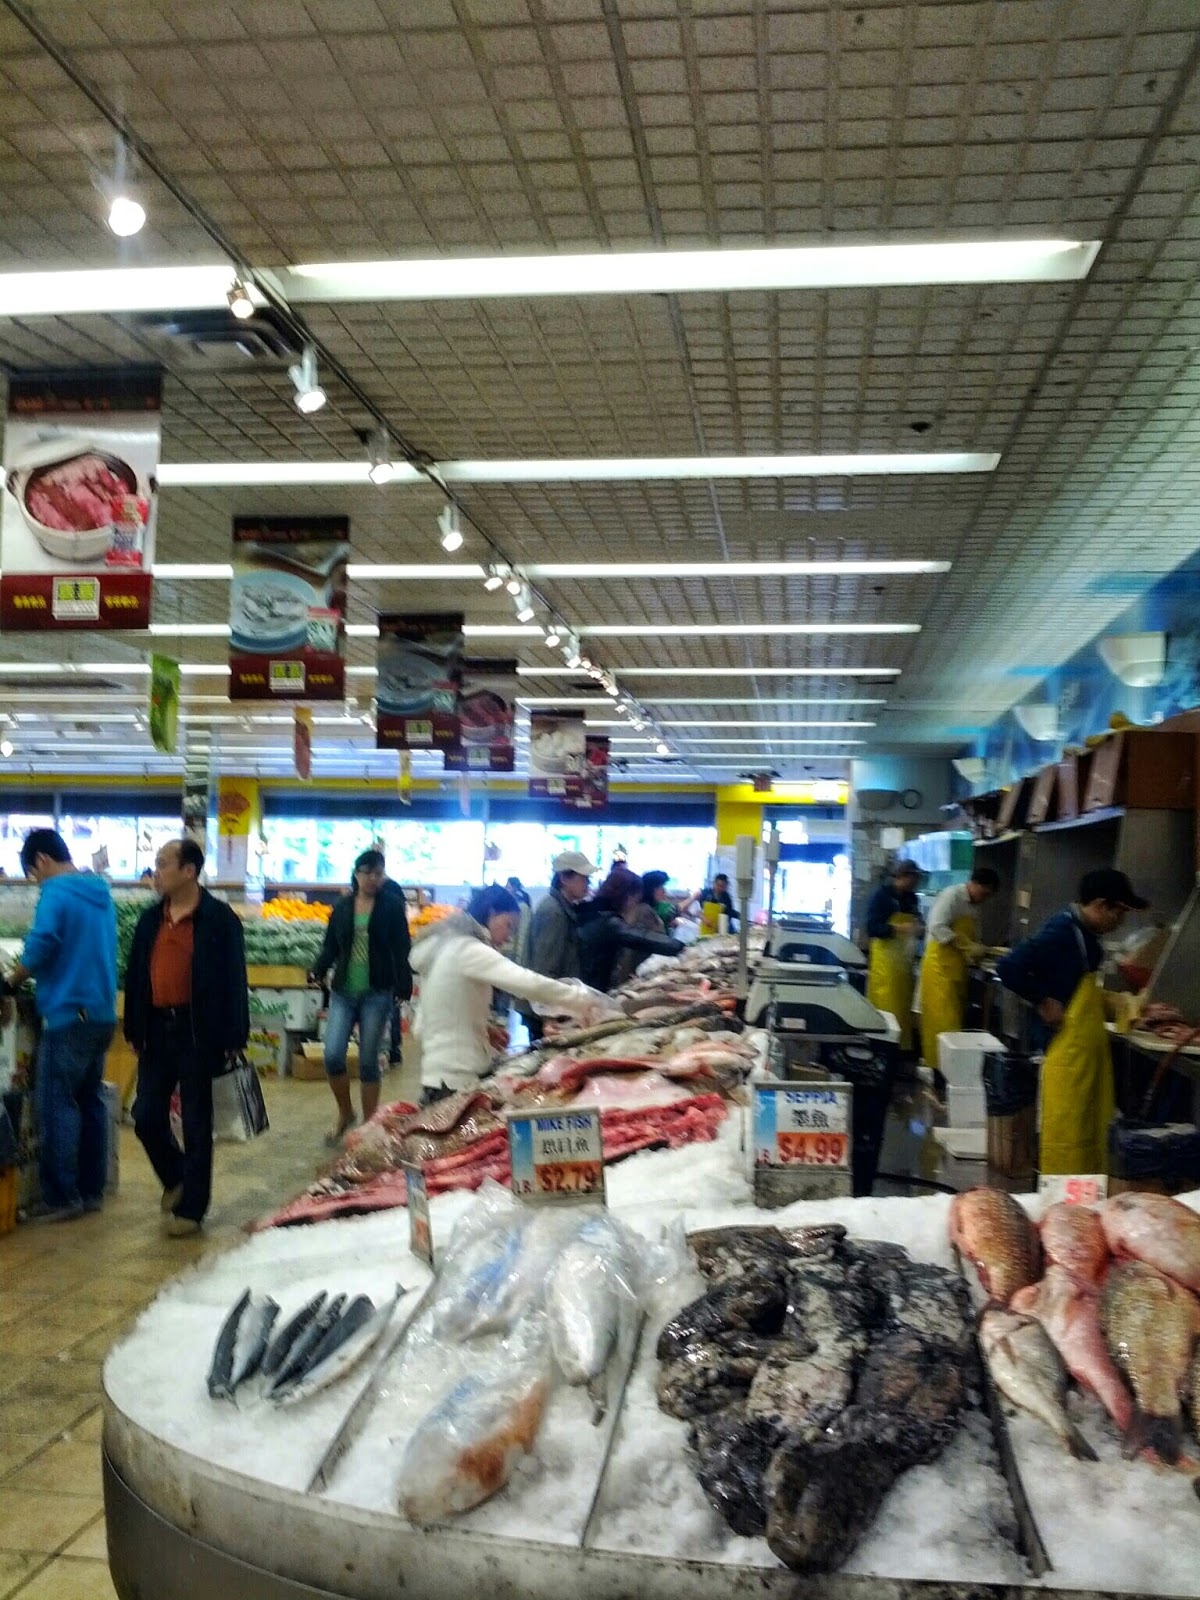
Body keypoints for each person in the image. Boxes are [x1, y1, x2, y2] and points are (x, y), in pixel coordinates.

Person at [124, 838, 249, 1237]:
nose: (155, 871)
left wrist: (235, 1034)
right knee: (146, 1116)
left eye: (163, 864)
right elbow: (136, 977)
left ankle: (192, 1210)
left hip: (199, 1031)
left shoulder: (219, 920)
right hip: (157, 1029)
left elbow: (235, 979)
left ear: (189, 871)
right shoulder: (150, 920)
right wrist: (134, 1025)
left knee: (196, 1122)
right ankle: (177, 1176)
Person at [996, 868, 1146, 1176]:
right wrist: (1042, 1000)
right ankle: (1064, 1208)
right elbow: (1009, 967)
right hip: (1067, 1059)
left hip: (1085, 1060)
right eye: (1120, 913)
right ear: (1102, 905)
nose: (1120, 922)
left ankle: (1085, 1207)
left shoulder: (1085, 934)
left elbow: (1076, 986)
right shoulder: (1062, 931)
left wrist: (1116, 1002)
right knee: (1068, 1142)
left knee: (1089, 1137)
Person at [410, 885, 603, 1104]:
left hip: (436, 1079)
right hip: (456, 1079)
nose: (509, 937)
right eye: (508, 925)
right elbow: (528, 983)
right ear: (491, 913)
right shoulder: (468, 949)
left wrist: (480, 1029)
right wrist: (583, 999)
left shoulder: (443, 949)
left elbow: (422, 1024)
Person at [11, 830, 117, 1224]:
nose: (36, 883)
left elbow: (41, 945)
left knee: (56, 1105)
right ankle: (90, 1191)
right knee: (89, 1102)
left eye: (32, 874)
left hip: (68, 1014)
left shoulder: (56, 892)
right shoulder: (100, 892)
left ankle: (61, 1196)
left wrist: (11, 981)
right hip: (102, 1014)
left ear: (41, 861)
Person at [310, 849, 412, 1146]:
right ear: (356, 874)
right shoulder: (342, 907)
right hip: (343, 991)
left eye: (378, 873)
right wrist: (317, 970)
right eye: (367, 872)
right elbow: (330, 946)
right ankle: (345, 1112)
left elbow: (401, 948)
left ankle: (369, 1126)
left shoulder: (392, 907)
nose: (373, 878)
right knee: (332, 1055)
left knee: (368, 1060)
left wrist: (403, 985)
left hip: (377, 992)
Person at [918, 866, 1001, 1078]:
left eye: (988, 896)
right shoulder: (952, 896)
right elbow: (936, 926)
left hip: (956, 970)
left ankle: (949, 1073)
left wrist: (978, 950)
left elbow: (974, 937)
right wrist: (965, 945)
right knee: (943, 1024)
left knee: (953, 1025)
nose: (984, 898)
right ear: (974, 884)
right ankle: (938, 1072)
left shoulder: (975, 907)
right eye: (984, 893)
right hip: (938, 968)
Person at [523, 850, 597, 1040]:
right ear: (564, 878)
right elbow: (544, 969)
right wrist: (548, 1017)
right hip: (547, 1015)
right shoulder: (553, 912)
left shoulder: (561, 908)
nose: (588, 884)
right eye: (584, 878)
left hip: (554, 1007)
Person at [580, 865, 684, 991]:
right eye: (635, 897)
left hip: (589, 981)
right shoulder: (608, 920)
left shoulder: (593, 910)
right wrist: (680, 947)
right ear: (625, 896)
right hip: (592, 985)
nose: (635, 902)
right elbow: (639, 937)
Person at [865, 860, 923, 1054]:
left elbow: (918, 922)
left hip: (904, 964)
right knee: (886, 1008)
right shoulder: (881, 897)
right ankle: (883, 1049)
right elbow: (872, 928)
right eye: (913, 878)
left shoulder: (911, 899)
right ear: (902, 876)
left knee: (903, 1009)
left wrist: (920, 929)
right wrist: (897, 928)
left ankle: (900, 1051)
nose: (915, 883)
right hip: (885, 963)